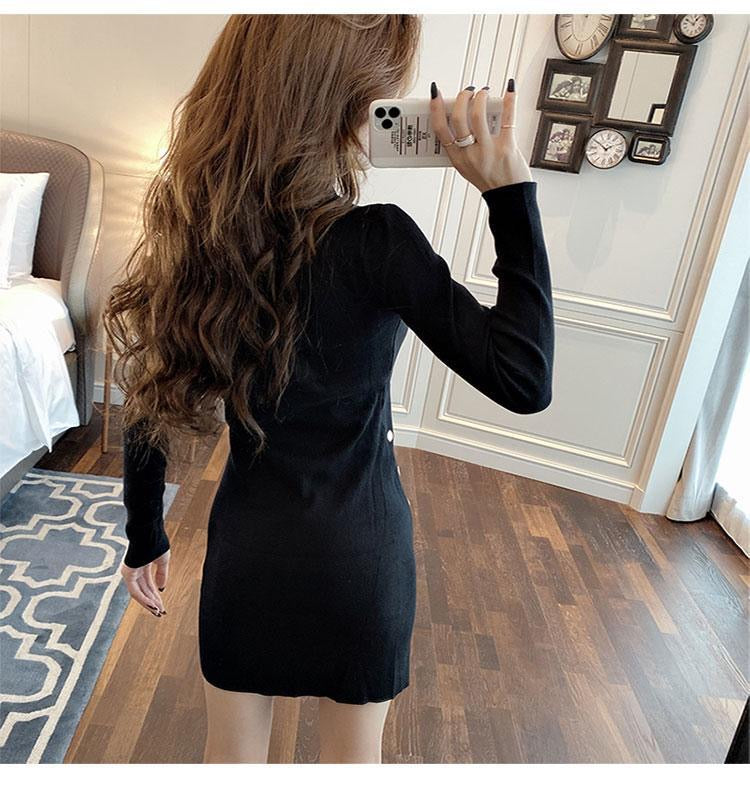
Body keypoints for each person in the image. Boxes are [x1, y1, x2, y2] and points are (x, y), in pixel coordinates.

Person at [102, 14, 554, 764]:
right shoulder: (379, 242)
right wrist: (510, 195)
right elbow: (524, 377)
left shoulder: (201, 236)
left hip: (249, 556)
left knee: (230, 760)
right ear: (342, 105)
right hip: (360, 557)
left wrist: (144, 535)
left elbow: (150, 395)